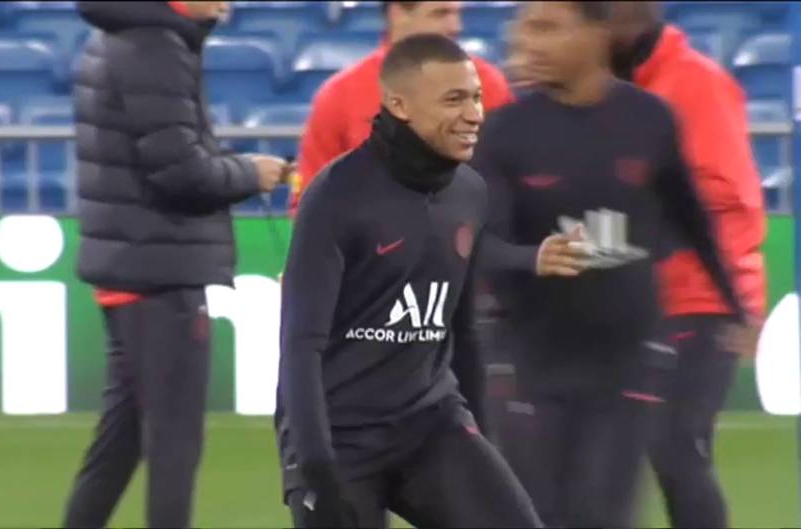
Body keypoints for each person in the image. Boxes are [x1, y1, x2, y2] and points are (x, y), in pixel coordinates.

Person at [469, 2, 751, 527]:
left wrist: (736, 307)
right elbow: (481, 243)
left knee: (602, 514)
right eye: (524, 27)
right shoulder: (504, 132)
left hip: (625, 361)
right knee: (537, 515)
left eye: (547, 27)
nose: (527, 41)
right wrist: (534, 258)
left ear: (596, 33)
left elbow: (691, 217)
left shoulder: (649, 119)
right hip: (529, 362)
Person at [275, 33, 541, 529]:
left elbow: (461, 332)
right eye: (454, 99)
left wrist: (482, 444)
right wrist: (313, 464)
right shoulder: (336, 195)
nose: (475, 114)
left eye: (476, 96)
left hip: (429, 425)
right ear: (399, 105)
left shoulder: (469, 194)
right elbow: (300, 345)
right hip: (339, 438)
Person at [64, 2, 289, 527]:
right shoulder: (155, 47)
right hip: (160, 270)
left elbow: (166, 149)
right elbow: (179, 171)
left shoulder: (119, 35)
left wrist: (229, 164)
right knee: (174, 442)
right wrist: (248, 173)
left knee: (121, 442)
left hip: (132, 260)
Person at [607, 3, 767, 527]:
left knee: (675, 444)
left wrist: (734, 301)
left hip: (700, 301)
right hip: (631, 302)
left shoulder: (697, 84)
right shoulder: (609, 86)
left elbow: (731, 200)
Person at [289, 1, 513, 215]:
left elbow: (513, 178)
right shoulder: (340, 94)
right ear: (398, 13)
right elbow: (312, 198)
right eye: (440, 14)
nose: (456, 26)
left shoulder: (489, 84)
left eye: (457, 14)